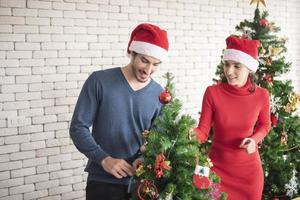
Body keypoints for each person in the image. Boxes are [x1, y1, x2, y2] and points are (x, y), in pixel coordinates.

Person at [69, 23, 169, 200]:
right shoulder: (99, 81)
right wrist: (104, 159)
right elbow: (78, 127)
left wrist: (144, 160)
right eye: (144, 60)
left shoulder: (159, 95)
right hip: (102, 183)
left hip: (142, 185)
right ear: (132, 53)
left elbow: (157, 139)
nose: (148, 70)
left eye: (156, 64)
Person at [191, 35, 271, 199]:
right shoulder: (212, 93)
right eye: (227, 64)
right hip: (216, 170)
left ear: (249, 68)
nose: (229, 71)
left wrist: (254, 140)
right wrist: (188, 133)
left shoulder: (262, 95)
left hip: (249, 174)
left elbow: (265, 125)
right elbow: (203, 131)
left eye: (237, 66)